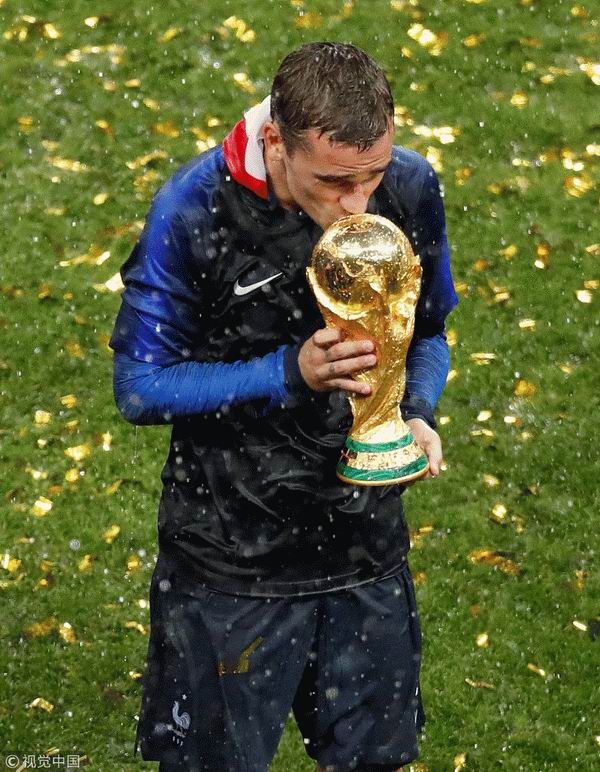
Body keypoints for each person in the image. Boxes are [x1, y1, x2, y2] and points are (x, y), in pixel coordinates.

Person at [109, 42, 458, 772]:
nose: (357, 205)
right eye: (335, 182)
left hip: (365, 550)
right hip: (231, 564)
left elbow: (426, 332)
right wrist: (288, 373)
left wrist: (416, 411)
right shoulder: (194, 208)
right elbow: (140, 385)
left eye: (371, 176)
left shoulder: (410, 184)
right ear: (276, 141)